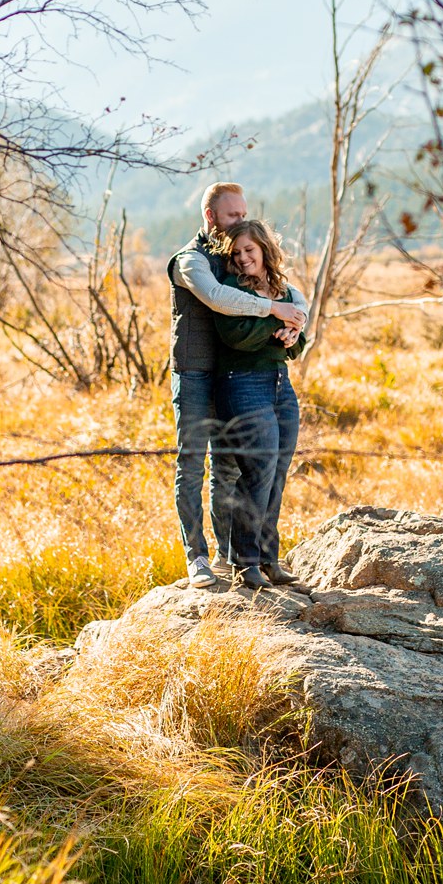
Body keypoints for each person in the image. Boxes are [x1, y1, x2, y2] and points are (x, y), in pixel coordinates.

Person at [169, 183, 306, 590]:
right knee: (193, 465)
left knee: (230, 470)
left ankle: (237, 559)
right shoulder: (190, 261)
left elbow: (293, 295)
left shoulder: (236, 255)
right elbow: (216, 298)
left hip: (240, 377)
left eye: (244, 213)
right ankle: (197, 557)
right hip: (196, 373)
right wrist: (276, 312)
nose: (240, 221)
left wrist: (297, 323)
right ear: (211, 216)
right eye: (232, 215)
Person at [210, 217, 311, 592]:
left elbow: (298, 345)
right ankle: (244, 563)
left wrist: (291, 336)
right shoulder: (229, 288)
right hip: (242, 384)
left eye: (249, 250)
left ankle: (269, 559)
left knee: (278, 471)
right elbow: (235, 337)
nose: (243, 258)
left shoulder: (282, 289)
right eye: (236, 254)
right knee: (257, 471)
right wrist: (273, 325)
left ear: (265, 250)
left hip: (280, 385)